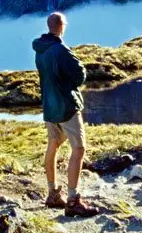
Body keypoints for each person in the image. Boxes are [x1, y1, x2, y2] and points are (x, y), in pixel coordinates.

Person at [32, 12, 100, 217]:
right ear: (62, 26)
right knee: (78, 148)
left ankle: (52, 193)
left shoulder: (40, 49)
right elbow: (80, 76)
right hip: (66, 106)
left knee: (53, 144)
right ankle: (73, 199)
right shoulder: (60, 50)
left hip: (49, 106)